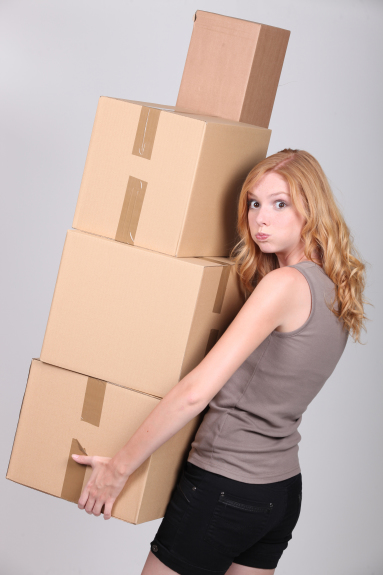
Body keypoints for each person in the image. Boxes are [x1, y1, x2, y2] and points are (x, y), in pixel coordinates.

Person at [72, 149, 369, 575]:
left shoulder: (284, 284)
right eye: (254, 203)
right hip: (280, 493)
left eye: (279, 203)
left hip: (226, 487)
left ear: (311, 208)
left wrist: (118, 470)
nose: (260, 218)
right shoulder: (336, 290)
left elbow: (196, 392)